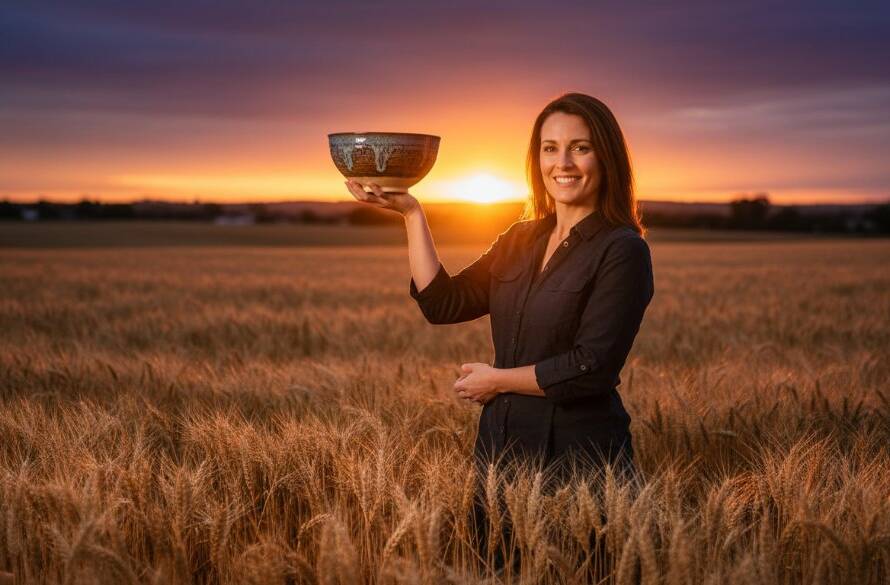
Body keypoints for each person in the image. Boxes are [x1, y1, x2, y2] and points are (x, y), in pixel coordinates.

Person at [344, 92, 654, 577]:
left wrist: (497, 381)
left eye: (580, 147)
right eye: (550, 149)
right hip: (502, 457)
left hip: (581, 463)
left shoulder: (622, 250)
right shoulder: (519, 238)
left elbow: (590, 367)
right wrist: (411, 213)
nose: (563, 163)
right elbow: (443, 303)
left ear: (606, 156)